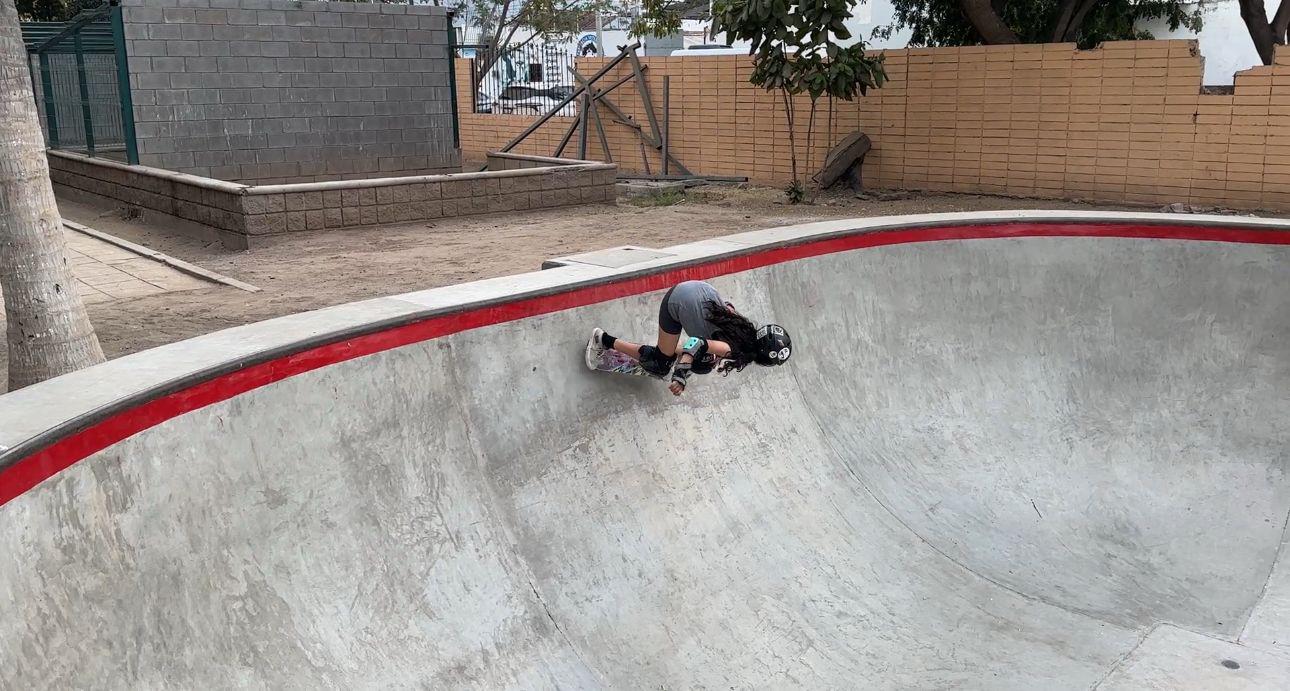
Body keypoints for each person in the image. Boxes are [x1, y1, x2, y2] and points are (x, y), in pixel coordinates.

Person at [591, 280, 793, 396]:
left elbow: (728, 307)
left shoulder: (744, 329)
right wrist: (681, 371)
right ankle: (604, 340)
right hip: (677, 302)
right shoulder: (733, 349)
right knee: (664, 364)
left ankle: (668, 351)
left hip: (698, 289)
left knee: (706, 358)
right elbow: (696, 343)